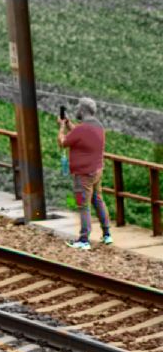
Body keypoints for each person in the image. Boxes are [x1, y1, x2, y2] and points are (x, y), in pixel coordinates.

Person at [59, 97, 112, 250]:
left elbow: (62, 142)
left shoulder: (82, 129)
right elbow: (80, 134)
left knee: (83, 206)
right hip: (96, 171)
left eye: (77, 107)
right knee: (98, 200)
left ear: (82, 110)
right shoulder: (98, 126)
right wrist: (69, 124)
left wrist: (62, 127)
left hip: (83, 174)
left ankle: (84, 240)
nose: (76, 110)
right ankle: (107, 234)